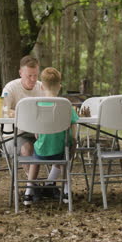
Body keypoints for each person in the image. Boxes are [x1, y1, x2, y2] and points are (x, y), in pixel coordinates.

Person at [23, 67, 79, 205]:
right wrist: (73, 142)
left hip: (42, 150)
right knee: (69, 148)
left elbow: (36, 133)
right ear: (60, 86)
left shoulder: (37, 105)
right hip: (61, 151)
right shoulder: (66, 105)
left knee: (35, 159)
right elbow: (73, 131)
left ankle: (28, 193)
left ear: (41, 86)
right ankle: (66, 191)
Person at [2, 55, 45, 172]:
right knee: (28, 148)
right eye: (29, 76)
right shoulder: (10, 88)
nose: (33, 79)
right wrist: (25, 115)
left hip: (38, 134)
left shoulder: (42, 87)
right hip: (13, 136)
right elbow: (3, 110)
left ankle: (51, 182)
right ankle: (31, 186)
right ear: (20, 73)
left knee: (59, 145)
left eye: (35, 75)